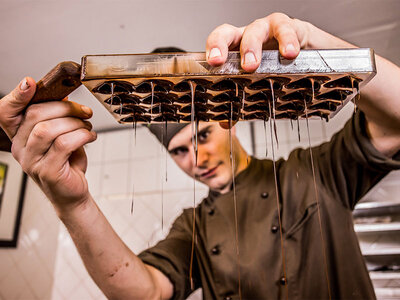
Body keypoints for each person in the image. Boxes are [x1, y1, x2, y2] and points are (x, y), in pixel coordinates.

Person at [0, 12, 399, 300]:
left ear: (231, 122)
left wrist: (309, 38)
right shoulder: (194, 228)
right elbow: (147, 293)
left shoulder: (316, 172)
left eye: (203, 135)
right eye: (178, 150)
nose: (196, 157)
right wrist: (73, 204)